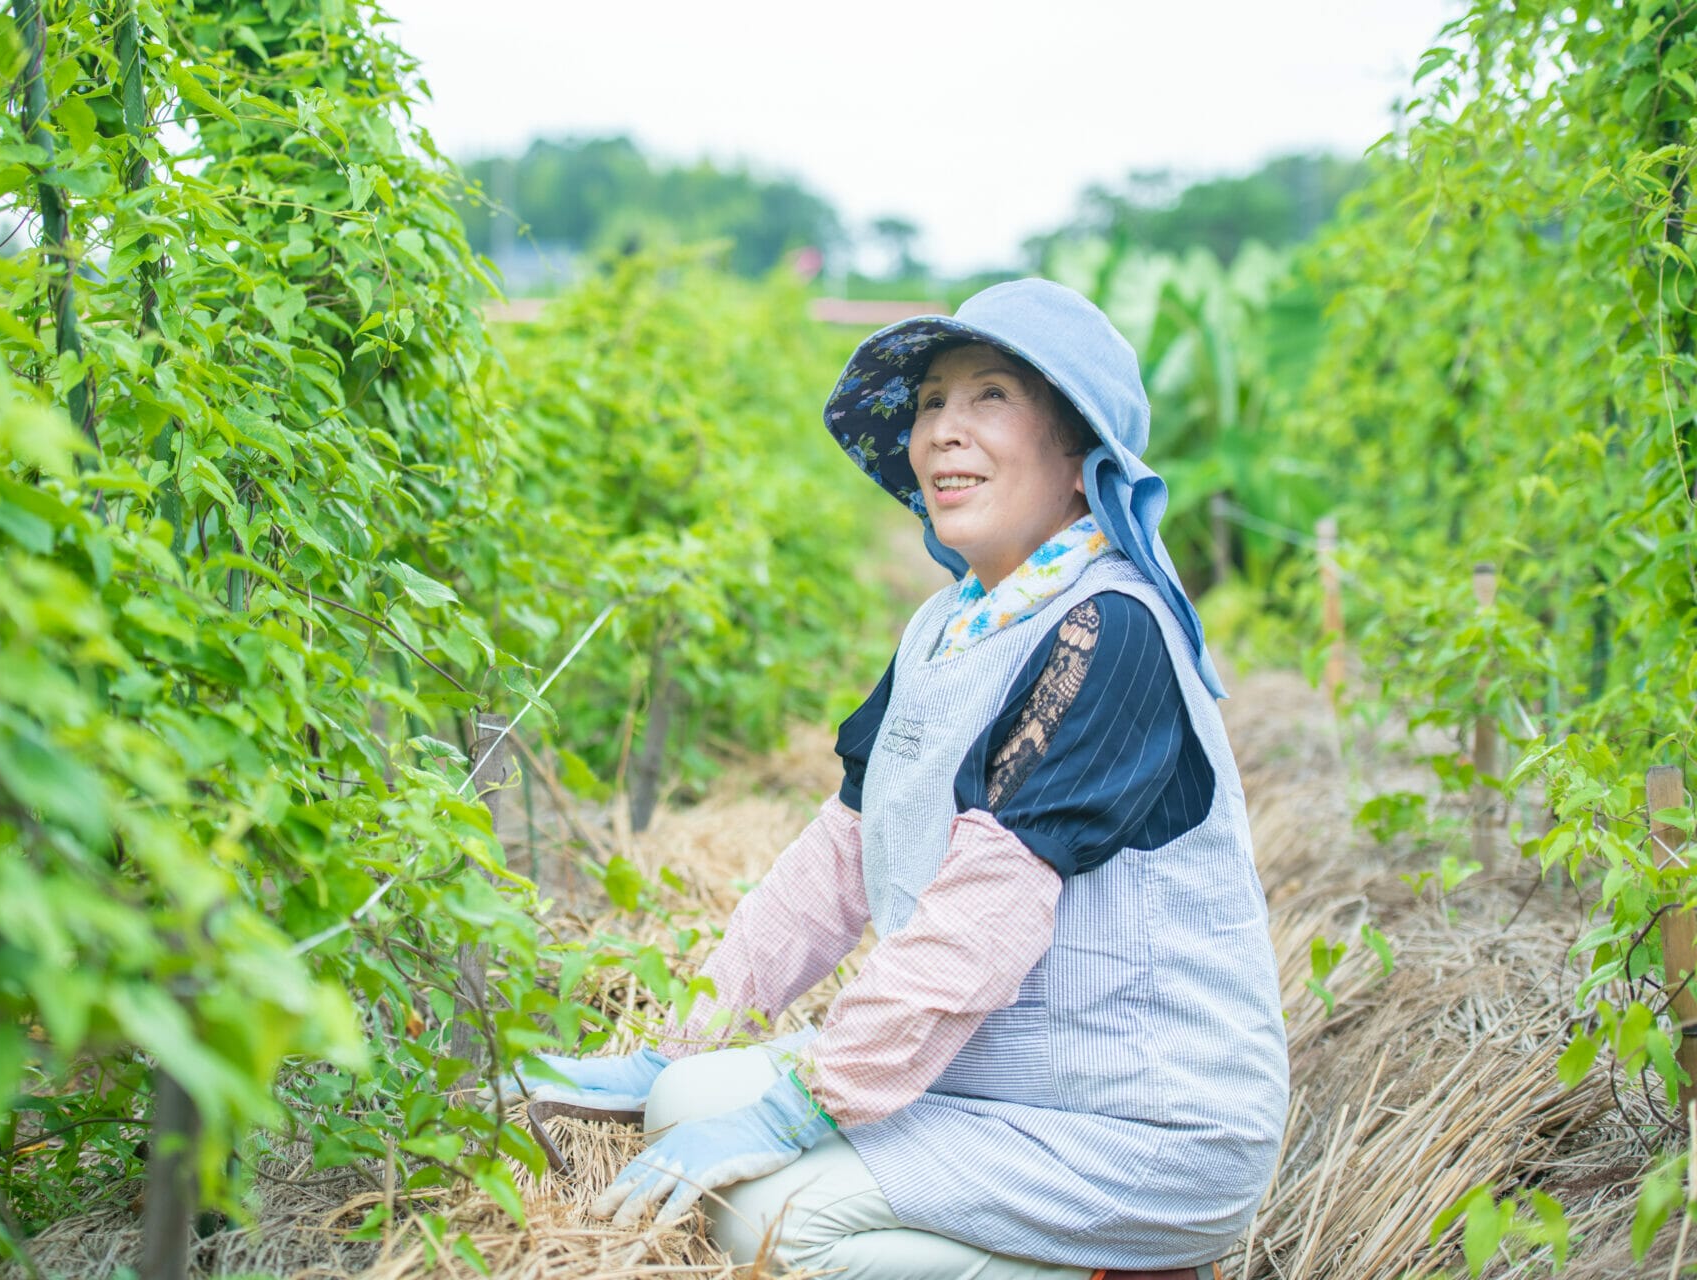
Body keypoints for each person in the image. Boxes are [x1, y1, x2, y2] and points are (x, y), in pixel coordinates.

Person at [516, 280, 1288, 1280]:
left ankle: (1109, 1268)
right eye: (930, 401)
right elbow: (837, 855)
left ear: (1079, 453)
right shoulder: (951, 624)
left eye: (992, 396)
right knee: (683, 1103)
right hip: (993, 1078)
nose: (942, 433)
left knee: (773, 1227)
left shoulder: (1109, 627)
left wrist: (807, 1106)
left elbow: (982, 917)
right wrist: (683, 1040)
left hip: (1132, 1120)